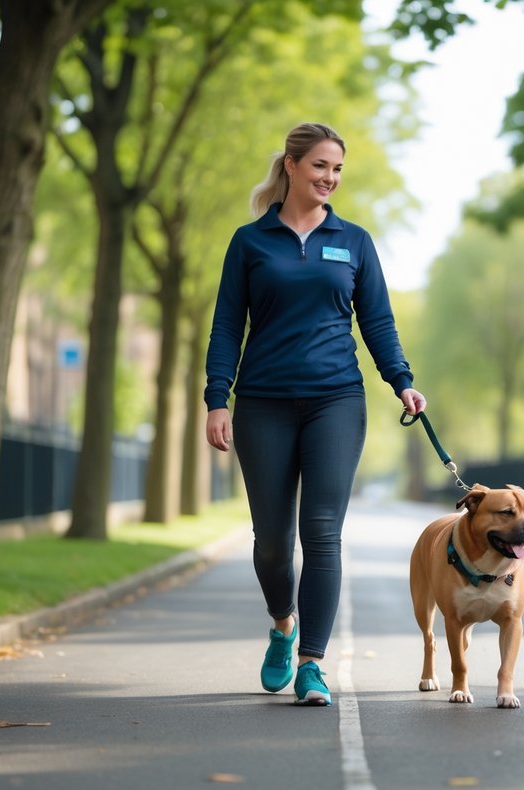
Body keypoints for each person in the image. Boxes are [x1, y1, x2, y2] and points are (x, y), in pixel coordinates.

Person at [204, 122, 426, 706]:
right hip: (263, 403)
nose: (329, 179)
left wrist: (401, 381)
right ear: (292, 166)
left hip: (336, 400)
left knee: (322, 534)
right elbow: (228, 324)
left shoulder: (354, 242)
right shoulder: (250, 243)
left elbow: (376, 320)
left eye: (337, 170)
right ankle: (284, 625)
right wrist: (216, 398)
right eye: (320, 167)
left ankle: (312, 665)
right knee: (272, 542)